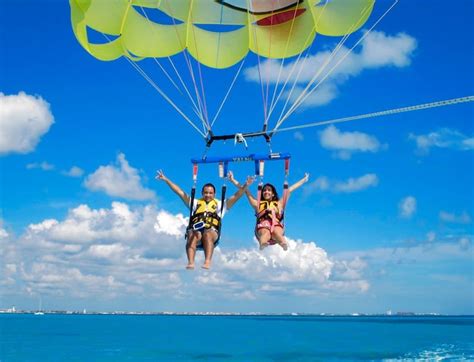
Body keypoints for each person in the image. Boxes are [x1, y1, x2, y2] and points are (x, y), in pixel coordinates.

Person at [156, 170, 253, 270]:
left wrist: (246, 185)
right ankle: (191, 262)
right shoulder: (195, 203)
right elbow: (179, 192)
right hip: (196, 233)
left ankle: (207, 261)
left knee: (207, 233)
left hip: (211, 233)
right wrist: (166, 179)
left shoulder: (221, 205)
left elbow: (237, 195)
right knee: (192, 234)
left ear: (214, 194)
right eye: (206, 193)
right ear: (202, 193)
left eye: (210, 193)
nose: (208, 195)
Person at [228, 171, 309, 251]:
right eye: (264, 190)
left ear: (273, 194)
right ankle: (263, 243)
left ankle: (283, 243)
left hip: (276, 226)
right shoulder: (257, 204)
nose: (266, 192)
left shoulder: (279, 204)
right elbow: (245, 190)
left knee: (276, 231)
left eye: (269, 190)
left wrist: (304, 180)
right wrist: (232, 180)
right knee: (265, 232)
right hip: (262, 226)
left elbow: (289, 190)